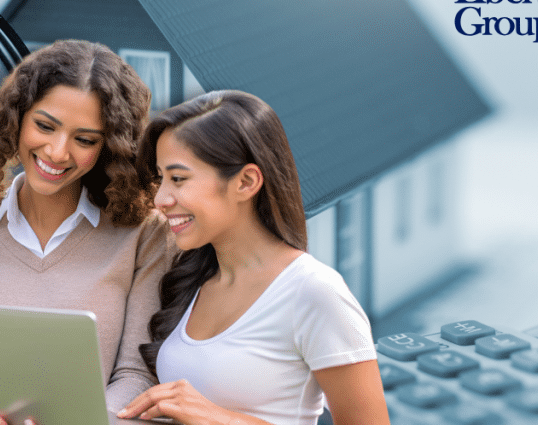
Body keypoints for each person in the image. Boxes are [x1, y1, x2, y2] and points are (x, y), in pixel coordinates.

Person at [0, 39, 173, 422]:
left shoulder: (143, 235)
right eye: (45, 126)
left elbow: (136, 375)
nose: (58, 152)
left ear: (108, 146)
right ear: (18, 118)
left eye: (84, 140)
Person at [117, 90, 389, 425]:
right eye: (160, 179)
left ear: (246, 182)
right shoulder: (193, 280)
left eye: (178, 179)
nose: (160, 199)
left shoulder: (315, 292)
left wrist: (221, 419)